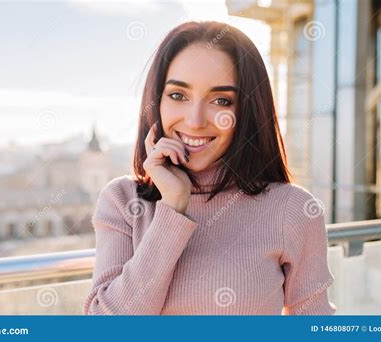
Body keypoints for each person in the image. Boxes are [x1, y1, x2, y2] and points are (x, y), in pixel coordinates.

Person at [83, 21, 337, 315]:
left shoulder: (293, 209)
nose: (195, 120)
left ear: (248, 110)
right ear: (157, 101)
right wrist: (172, 209)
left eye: (221, 100)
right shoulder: (123, 201)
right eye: (178, 95)